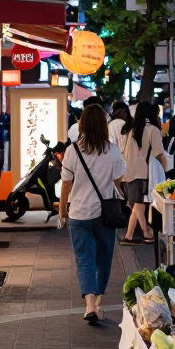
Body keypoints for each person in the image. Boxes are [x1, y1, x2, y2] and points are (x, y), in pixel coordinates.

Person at [58, 104, 125, 325]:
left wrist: (62, 212)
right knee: (103, 261)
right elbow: (118, 180)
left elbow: (66, 185)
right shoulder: (113, 150)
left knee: (84, 260)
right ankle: (97, 304)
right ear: (104, 125)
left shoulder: (72, 150)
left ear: (83, 124)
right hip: (104, 215)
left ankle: (89, 305)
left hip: (78, 214)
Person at [119, 101, 169, 245]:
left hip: (128, 172)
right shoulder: (152, 129)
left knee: (136, 204)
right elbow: (159, 152)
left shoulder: (130, 129)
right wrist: (165, 167)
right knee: (139, 204)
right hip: (144, 172)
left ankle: (129, 236)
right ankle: (146, 233)